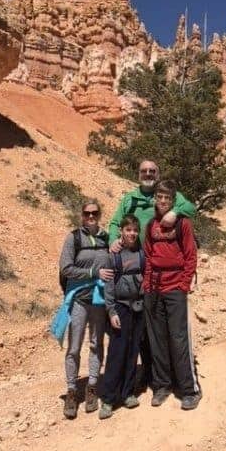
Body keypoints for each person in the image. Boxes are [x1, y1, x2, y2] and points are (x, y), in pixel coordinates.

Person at [109, 159, 196, 390]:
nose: (148, 174)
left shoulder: (168, 196)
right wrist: (113, 242)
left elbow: (191, 208)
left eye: (152, 171)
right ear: (138, 174)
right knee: (147, 328)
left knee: (173, 332)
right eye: (144, 171)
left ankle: (182, 381)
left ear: (158, 174)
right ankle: (151, 375)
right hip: (139, 269)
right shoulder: (129, 199)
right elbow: (115, 222)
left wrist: (175, 211)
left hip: (169, 275)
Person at [143, 179, 201, 411]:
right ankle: (162, 386)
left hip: (175, 286)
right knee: (157, 338)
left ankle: (189, 389)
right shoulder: (151, 225)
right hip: (154, 288)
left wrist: (184, 284)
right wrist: (147, 285)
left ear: (173, 200)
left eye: (167, 197)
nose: (163, 201)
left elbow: (190, 255)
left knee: (178, 338)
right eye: (160, 196)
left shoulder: (183, 223)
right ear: (155, 198)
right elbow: (148, 255)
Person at [58, 200, 113, 419]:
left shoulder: (106, 237)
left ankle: (92, 387)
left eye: (95, 213)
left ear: (100, 215)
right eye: (87, 213)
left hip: (99, 300)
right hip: (80, 299)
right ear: (81, 215)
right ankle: (72, 390)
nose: (91, 216)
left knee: (96, 343)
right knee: (74, 346)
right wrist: (93, 273)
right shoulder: (73, 238)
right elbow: (66, 268)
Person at [99, 215, 145, 419]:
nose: (132, 234)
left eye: (135, 230)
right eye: (128, 230)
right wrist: (111, 311)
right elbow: (108, 286)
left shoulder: (142, 254)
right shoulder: (113, 256)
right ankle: (108, 399)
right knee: (117, 352)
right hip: (120, 307)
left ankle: (127, 393)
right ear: (121, 232)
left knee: (133, 351)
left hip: (138, 307)